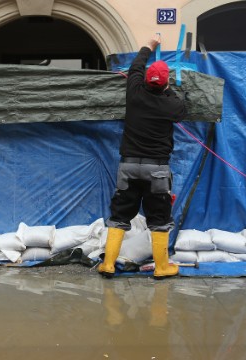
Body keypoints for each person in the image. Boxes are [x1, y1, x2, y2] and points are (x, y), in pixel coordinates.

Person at [98, 34, 187, 280]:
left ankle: (108, 264)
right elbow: (182, 110)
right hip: (156, 170)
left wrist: (150, 45)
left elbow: (137, 65)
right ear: (166, 82)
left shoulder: (134, 91)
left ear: (146, 80)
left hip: (128, 167)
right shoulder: (171, 105)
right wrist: (168, 90)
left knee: (119, 216)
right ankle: (161, 267)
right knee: (158, 219)